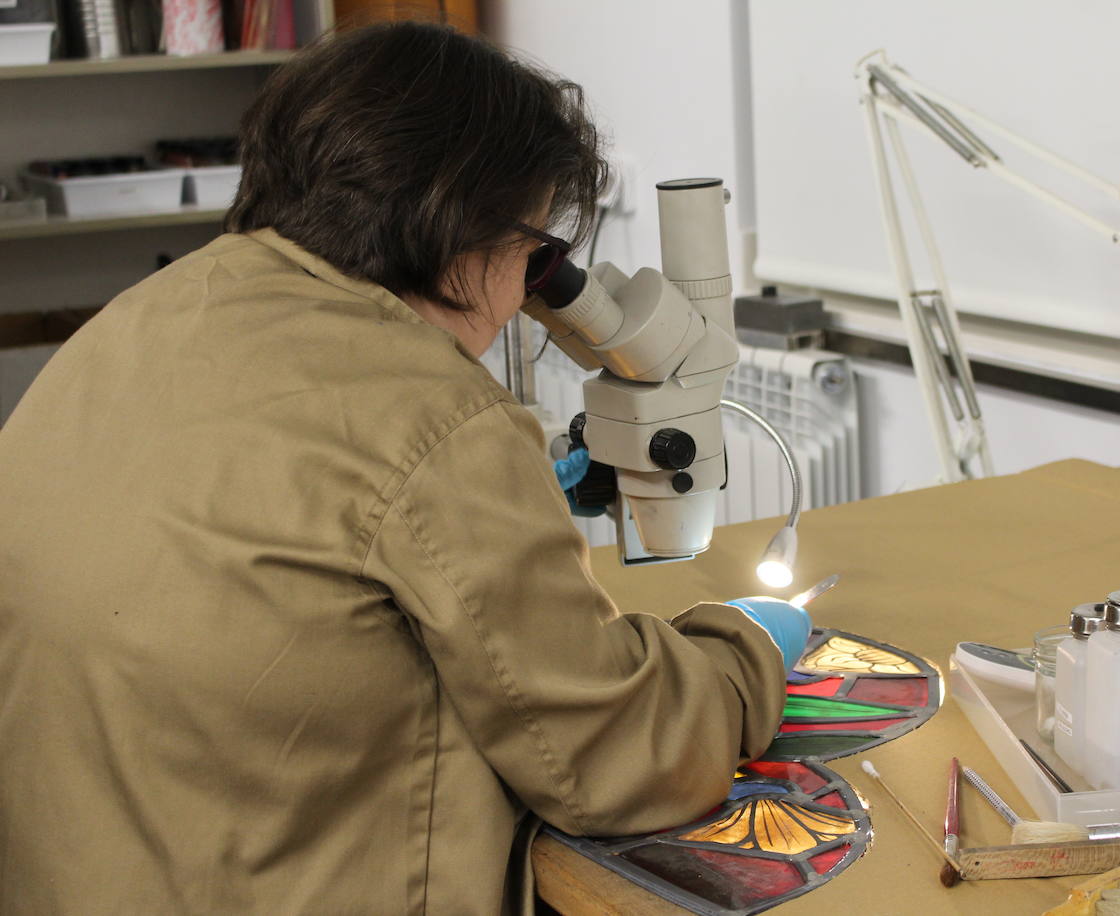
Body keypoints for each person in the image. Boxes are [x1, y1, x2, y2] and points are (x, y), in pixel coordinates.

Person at [0, 21, 809, 915]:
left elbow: (288, 493)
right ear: (457, 227)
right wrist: (747, 646)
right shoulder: (437, 418)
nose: (526, 296)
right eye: (536, 258)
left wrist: (510, 480)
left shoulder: (137, 320)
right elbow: (620, 761)